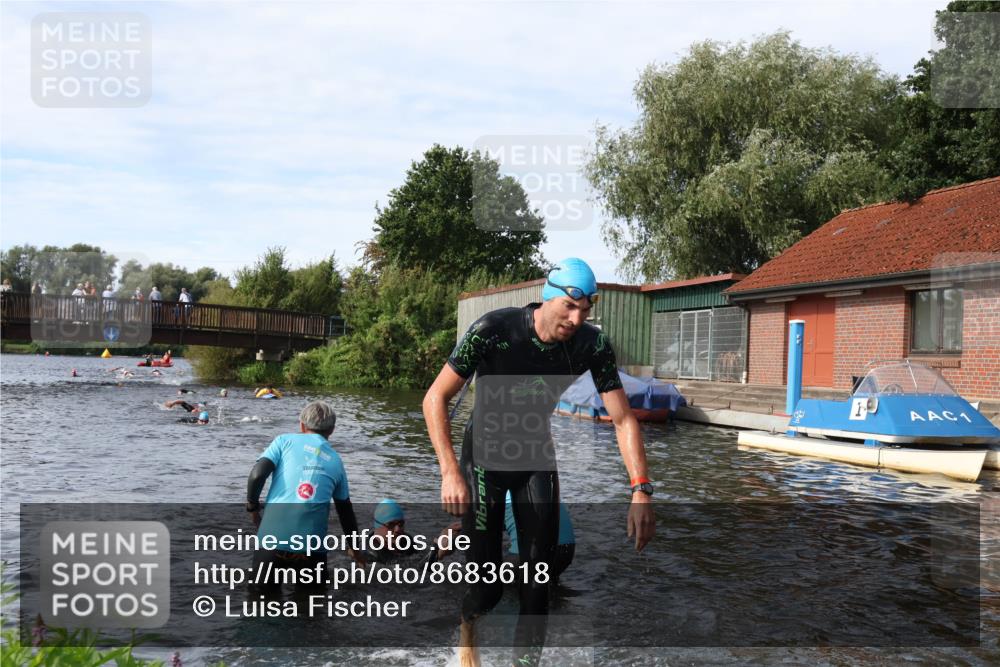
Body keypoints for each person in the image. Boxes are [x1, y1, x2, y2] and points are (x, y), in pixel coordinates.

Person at [422, 257, 655, 667]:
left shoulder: (591, 345)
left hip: (535, 460)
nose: (575, 318)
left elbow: (622, 420)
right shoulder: (494, 331)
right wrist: (449, 472)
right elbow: (434, 398)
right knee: (489, 589)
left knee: (537, 584)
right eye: (569, 306)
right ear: (548, 297)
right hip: (483, 462)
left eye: (585, 310)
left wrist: (640, 489)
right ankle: (467, 627)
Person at [245, 401, 361, 594]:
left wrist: (253, 507)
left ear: (301, 425)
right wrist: (355, 548)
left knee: (260, 607)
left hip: (271, 543)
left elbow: (257, 475)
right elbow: (345, 510)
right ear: (332, 430)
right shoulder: (336, 461)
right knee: (310, 614)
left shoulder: (283, 441)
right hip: (311, 549)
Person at [361, 499, 462, 565]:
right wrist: (438, 553)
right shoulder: (370, 552)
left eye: (401, 524)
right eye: (391, 525)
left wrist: (446, 540)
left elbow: (419, 558)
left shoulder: (405, 540)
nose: (397, 529)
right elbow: (411, 575)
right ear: (378, 525)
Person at [504, 492, 574, 583]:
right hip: (565, 552)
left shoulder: (490, 491)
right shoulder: (541, 485)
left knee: (486, 577)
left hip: (530, 558)